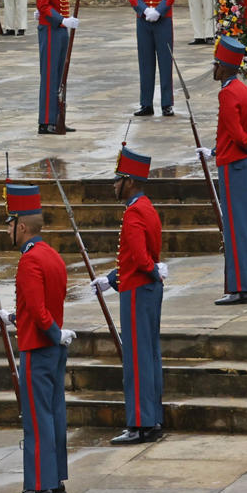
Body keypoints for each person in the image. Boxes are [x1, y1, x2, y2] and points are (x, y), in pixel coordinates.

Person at [0, 182, 73, 493]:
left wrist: (52, 332)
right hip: (54, 348)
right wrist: (14, 317)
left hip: (39, 347)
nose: (8, 231)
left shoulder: (29, 261)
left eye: (10, 224)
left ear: (22, 226)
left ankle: (37, 487)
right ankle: (55, 480)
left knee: (36, 418)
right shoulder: (52, 255)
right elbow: (40, 306)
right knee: (54, 413)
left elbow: (41, 313)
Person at [94, 147, 168, 444]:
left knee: (137, 359)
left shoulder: (135, 212)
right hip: (142, 288)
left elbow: (139, 258)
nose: (114, 185)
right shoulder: (146, 206)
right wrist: (111, 279)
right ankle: (152, 418)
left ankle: (141, 423)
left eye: (118, 180)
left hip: (137, 291)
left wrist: (151, 271)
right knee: (148, 355)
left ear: (131, 182)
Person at [205, 35, 247, 303]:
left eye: (217, 64)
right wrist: (216, 148)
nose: (214, 69)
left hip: (233, 165)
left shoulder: (227, 93)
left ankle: (242, 288)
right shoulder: (243, 91)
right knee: (244, 228)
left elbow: (235, 130)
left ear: (226, 67)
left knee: (235, 229)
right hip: (239, 162)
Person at [34, 0, 76, 134]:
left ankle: (59, 117)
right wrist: (62, 20)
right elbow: (42, 6)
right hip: (51, 30)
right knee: (50, 75)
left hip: (60, 29)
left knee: (61, 75)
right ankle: (46, 120)